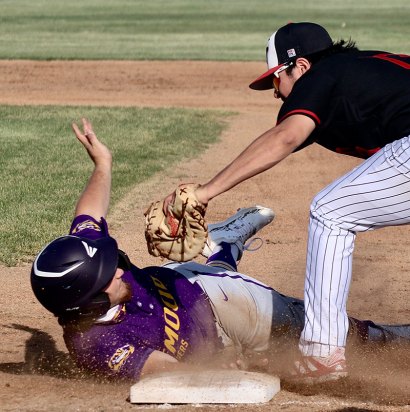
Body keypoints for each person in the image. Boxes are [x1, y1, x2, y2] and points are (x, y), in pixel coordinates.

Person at [31, 119, 410, 382]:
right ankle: (225, 245)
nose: (117, 268)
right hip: (212, 334)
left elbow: (88, 213)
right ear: (88, 303)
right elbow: (164, 370)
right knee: (255, 331)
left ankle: (395, 337)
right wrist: (219, 369)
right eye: (107, 276)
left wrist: (103, 164)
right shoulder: (99, 346)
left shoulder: (87, 260)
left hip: (217, 299)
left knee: (321, 331)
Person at [164, 21, 410, 383]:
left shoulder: (323, 76)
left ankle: (322, 354)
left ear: (303, 66)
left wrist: (203, 193)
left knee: (331, 213)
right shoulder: (365, 73)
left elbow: (284, 138)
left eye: (277, 79)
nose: (276, 93)